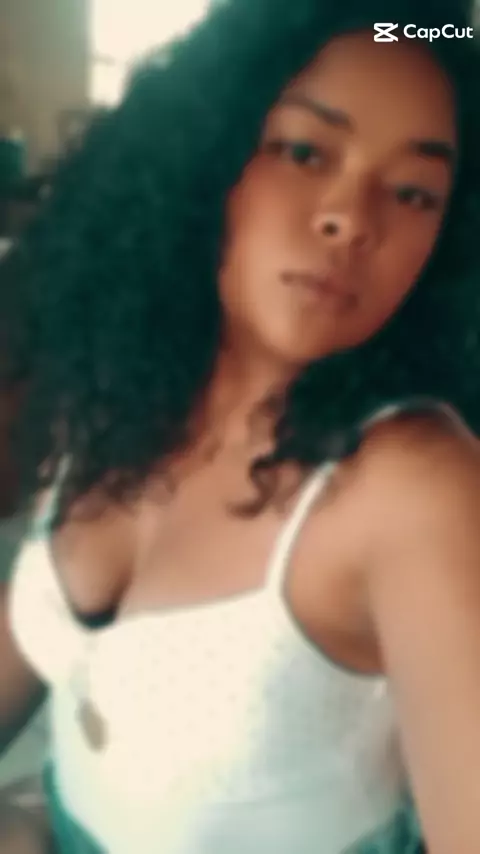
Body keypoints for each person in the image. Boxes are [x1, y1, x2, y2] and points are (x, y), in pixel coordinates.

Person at [1, 0, 480, 850]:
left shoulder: (415, 491)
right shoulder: (116, 388)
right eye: (303, 150)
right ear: (203, 155)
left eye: (413, 192)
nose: (350, 218)